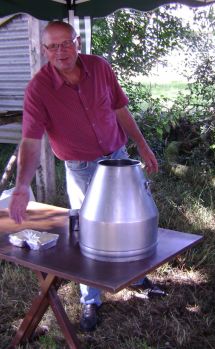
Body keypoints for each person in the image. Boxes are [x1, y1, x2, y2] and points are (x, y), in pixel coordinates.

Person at [8, 20, 163, 332]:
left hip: (118, 159)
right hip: (81, 167)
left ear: (77, 42)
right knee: (86, 231)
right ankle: (91, 298)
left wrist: (143, 147)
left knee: (127, 223)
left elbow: (120, 109)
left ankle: (135, 276)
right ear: (44, 49)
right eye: (52, 46)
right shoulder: (38, 89)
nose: (61, 51)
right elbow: (30, 141)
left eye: (66, 43)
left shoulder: (99, 67)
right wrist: (22, 185)